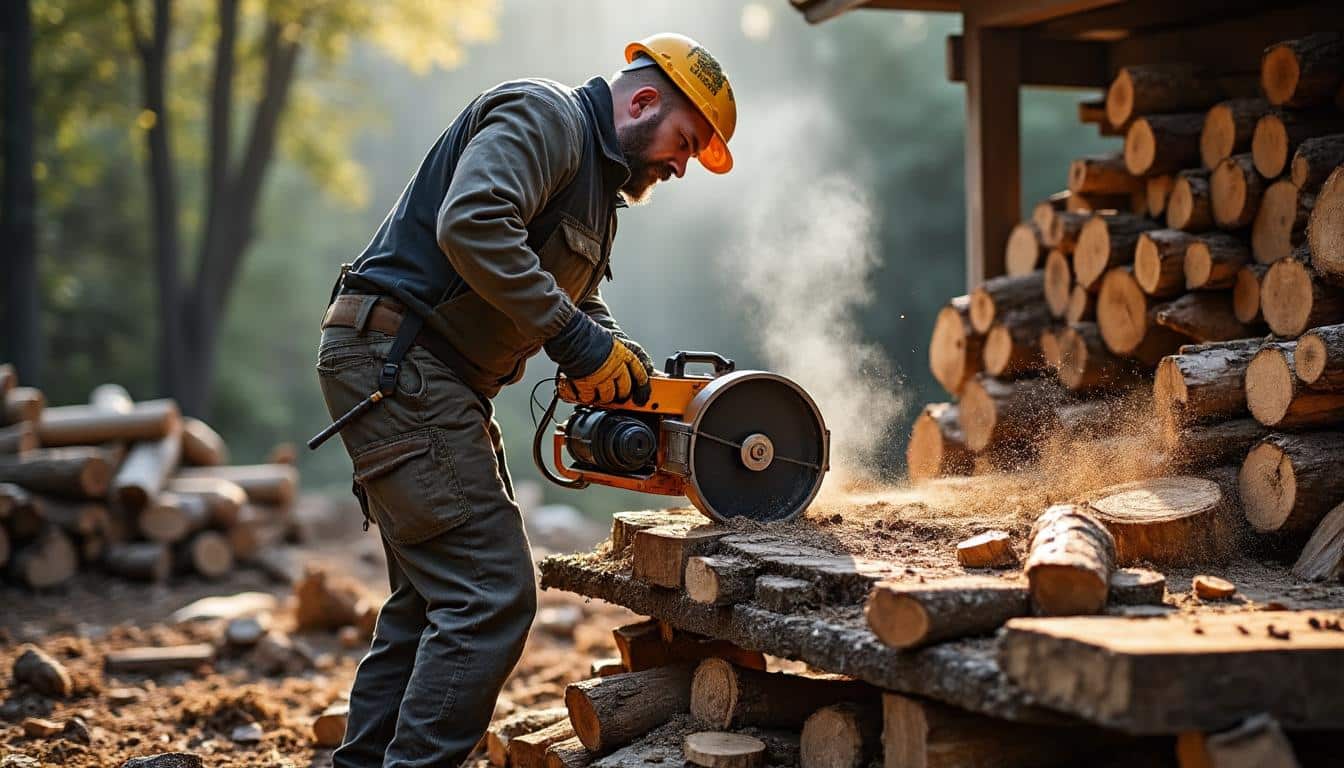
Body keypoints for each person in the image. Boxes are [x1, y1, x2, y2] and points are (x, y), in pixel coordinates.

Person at [312, 33, 737, 768]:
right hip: (401, 364)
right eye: (684, 141)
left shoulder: (598, 192)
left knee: (426, 604)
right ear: (642, 101)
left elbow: (575, 300)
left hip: (424, 374)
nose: (680, 164)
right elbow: (473, 224)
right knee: (490, 595)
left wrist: (616, 356)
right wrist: (575, 341)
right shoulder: (546, 119)